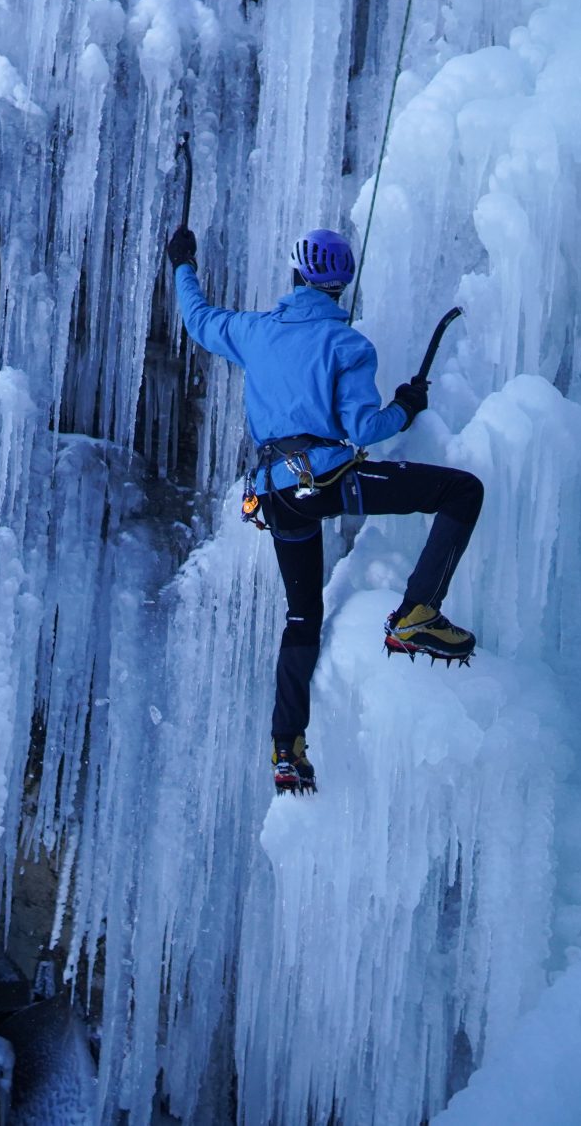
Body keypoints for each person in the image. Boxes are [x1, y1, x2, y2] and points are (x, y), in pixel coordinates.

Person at [166, 224, 485, 796]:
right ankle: (417, 611)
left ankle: (287, 749)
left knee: (301, 617)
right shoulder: (349, 346)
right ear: (340, 288)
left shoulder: (255, 330)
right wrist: (406, 409)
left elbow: (198, 318)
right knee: (461, 491)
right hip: (330, 483)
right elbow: (365, 428)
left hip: (273, 492)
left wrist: (183, 262)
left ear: (295, 276)